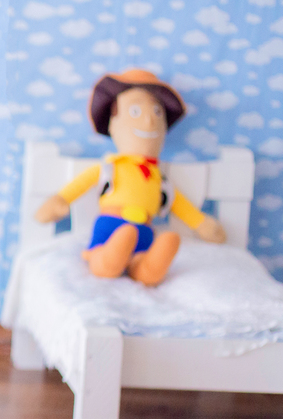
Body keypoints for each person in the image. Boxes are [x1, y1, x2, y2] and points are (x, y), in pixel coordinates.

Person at [33, 69, 226, 286]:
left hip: (145, 231)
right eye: (135, 111)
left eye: (157, 112)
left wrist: (201, 224)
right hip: (110, 226)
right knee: (109, 250)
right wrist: (60, 200)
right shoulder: (110, 167)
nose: (149, 120)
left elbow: (178, 203)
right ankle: (105, 259)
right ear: (113, 122)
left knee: (147, 254)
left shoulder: (158, 178)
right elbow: (80, 184)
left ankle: (146, 268)